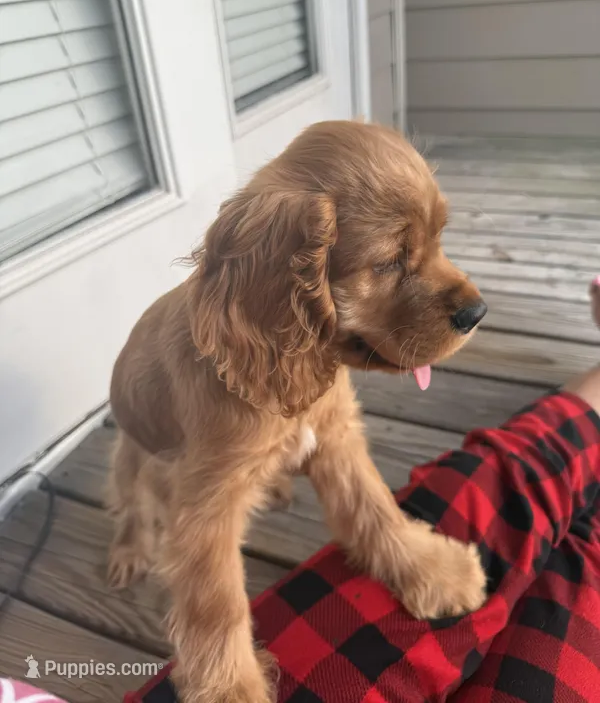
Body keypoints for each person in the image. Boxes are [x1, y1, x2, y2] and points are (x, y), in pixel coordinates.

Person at [127, 278, 600, 702]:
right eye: (393, 262)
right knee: (565, 553)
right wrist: (218, 663)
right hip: (178, 433)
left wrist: (395, 546)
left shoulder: (313, 346)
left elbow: (338, 443)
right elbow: (201, 514)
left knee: (518, 495)